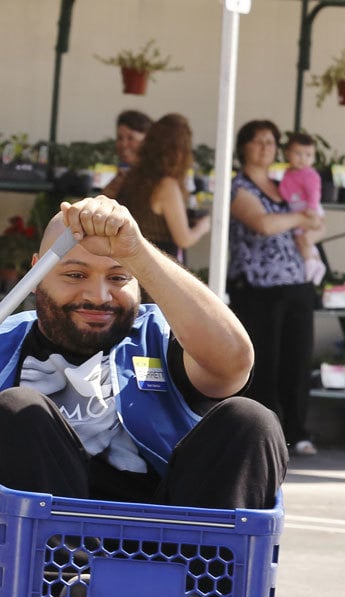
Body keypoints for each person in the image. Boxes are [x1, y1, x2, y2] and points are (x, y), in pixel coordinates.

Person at [0, 196, 285, 513]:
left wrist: (137, 252)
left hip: (172, 576)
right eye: (74, 274)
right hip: (40, 592)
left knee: (251, 421)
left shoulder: (167, 338)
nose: (99, 295)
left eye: (119, 277)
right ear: (36, 272)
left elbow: (234, 366)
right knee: (18, 410)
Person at [228, 119, 325, 457]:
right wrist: (301, 220)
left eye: (271, 141)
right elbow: (264, 224)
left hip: (296, 281)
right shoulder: (238, 187)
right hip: (258, 287)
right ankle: (264, 433)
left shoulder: (284, 184)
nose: (266, 147)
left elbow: (316, 220)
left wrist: (310, 225)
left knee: (297, 359)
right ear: (243, 148)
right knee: (264, 362)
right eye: (258, 141)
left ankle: (297, 431)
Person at [112, 113, 208, 264]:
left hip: (130, 262)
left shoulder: (132, 176)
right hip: (158, 267)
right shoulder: (166, 185)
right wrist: (204, 225)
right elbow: (184, 239)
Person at [279, 132, 326, 285]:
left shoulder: (309, 174)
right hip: (297, 209)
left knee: (302, 238)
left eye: (308, 155)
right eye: (298, 153)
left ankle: (309, 264)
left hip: (308, 210)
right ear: (287, 154)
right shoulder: (288, 172)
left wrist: (312, 209)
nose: (303, 159)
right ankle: (317, 264)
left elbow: (314, 192)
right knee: (305, 240)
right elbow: (285, 190)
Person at [100, 109, 152, 199]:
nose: (123, 144)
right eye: (120, 138)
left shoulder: (156, 178)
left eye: (131, 138)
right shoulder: (121, 176)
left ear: (146, 141)